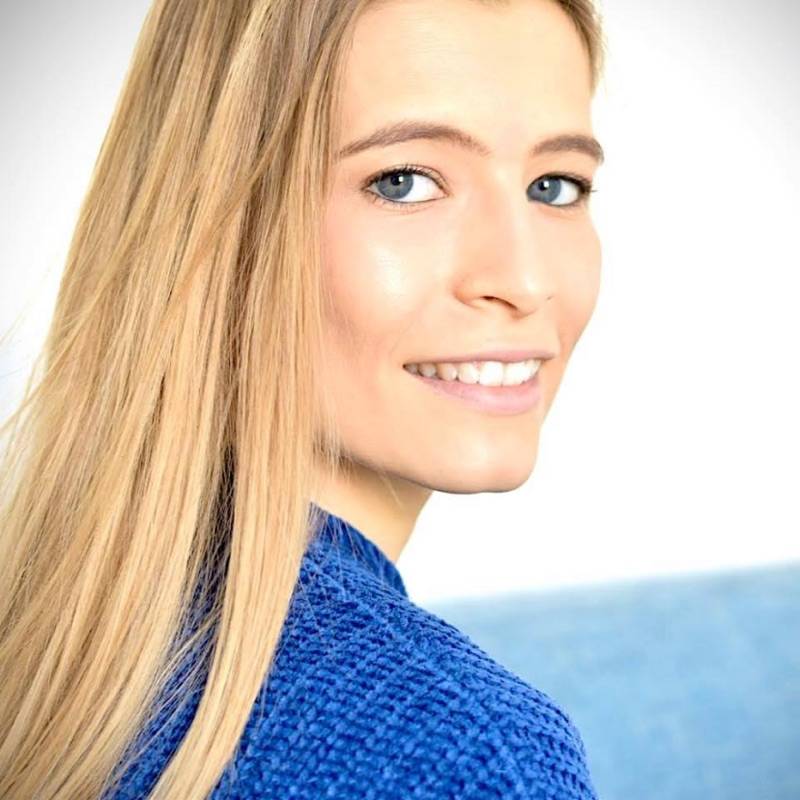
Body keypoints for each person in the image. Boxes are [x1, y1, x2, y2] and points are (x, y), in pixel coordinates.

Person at [0, 0, 606, 797]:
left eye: (555, 186)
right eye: (403, 182)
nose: (523, 280)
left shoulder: (55, 631)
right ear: (220, 231)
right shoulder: (467, 753)